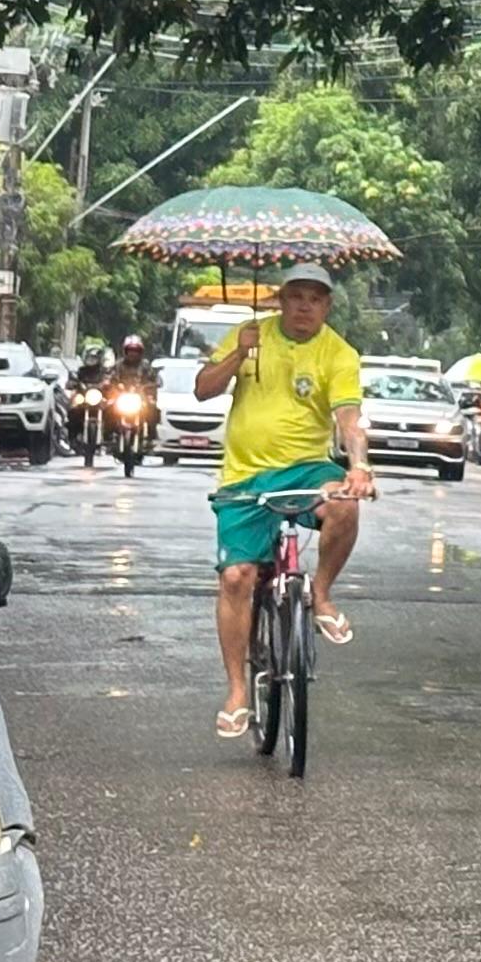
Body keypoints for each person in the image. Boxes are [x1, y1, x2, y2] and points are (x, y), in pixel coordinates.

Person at [202, 266, 374, 739]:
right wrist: (239, 354)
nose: (304, 306)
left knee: (345, 503)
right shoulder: (249, 334)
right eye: (296, 296)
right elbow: (204, 389)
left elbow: (349, 417)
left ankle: (321, 594)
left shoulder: (338, 353)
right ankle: (238, 692)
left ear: (327, 306)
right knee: (237, 577)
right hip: (244, 477)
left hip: (307, 469)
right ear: (280, 299)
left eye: (314, 299)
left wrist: (359, 466)